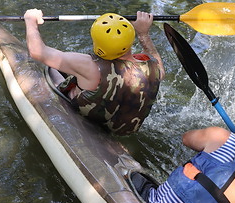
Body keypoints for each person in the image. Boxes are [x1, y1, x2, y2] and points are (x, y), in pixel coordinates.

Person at [24, 9, 165, 135]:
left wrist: (30, 20)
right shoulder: (153, 67)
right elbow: (161, 71)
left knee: (53, 68)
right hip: (122, 131)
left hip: (89, 118)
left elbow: (38, 52)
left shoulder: (88, 65)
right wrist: (143, 34)